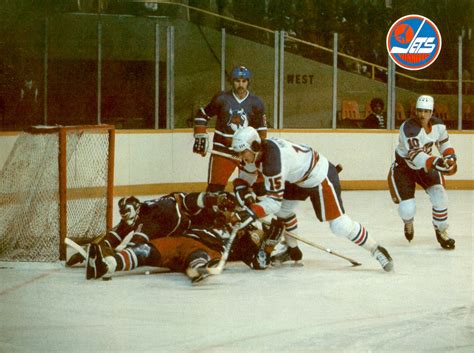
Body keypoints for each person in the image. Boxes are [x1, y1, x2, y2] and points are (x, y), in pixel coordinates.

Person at [230, 126, 394, 272]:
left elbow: (273, 202)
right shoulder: (259, 152)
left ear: (254, 146)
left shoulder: (273, 162)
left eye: (242, 152)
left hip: (319, 175)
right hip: (299, 177)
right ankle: (292, 250)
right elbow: (245, 177)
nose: (241, 157)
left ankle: (376, 249)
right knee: (283, 212)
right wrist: (243, 190)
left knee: (339, 225)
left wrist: (249, 212)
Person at [85, 192, 264, 283]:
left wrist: (265, 239)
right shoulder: (205, 214)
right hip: (178, 241)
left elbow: (255, 252)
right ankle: (106, 265)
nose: (228, 215)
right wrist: (215, 200)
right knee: (146, 250)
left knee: (197, 253)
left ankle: (197, 267)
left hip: (205, 247)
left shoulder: (237, 236)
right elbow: (193, 201)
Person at [387, 95, 457, 249]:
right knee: (407, 209)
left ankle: (441, 231)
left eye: (426, 111)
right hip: (404, 168)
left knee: (440, 196)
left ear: (432, 112)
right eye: (419, 110)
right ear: (415, 111)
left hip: (425, 167)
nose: (422, 115)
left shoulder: (439, 126)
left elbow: (444, 144)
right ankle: (408, 223)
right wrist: (437, 162)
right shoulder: (409, 128)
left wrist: (450, 157)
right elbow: (415, 156)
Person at [193, 66, 268, 192]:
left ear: (248, 82)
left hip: (246, 153)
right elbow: (202, 115)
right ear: (232, 81)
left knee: (256, 188)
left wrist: (258, 153)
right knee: (215, 190)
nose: (241, 84)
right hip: (223, 151)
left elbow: (261, 131)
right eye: (237, 81)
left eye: (244, 81)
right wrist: (200, 136)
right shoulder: (222, 98)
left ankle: (247, 211)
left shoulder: (256, 102)